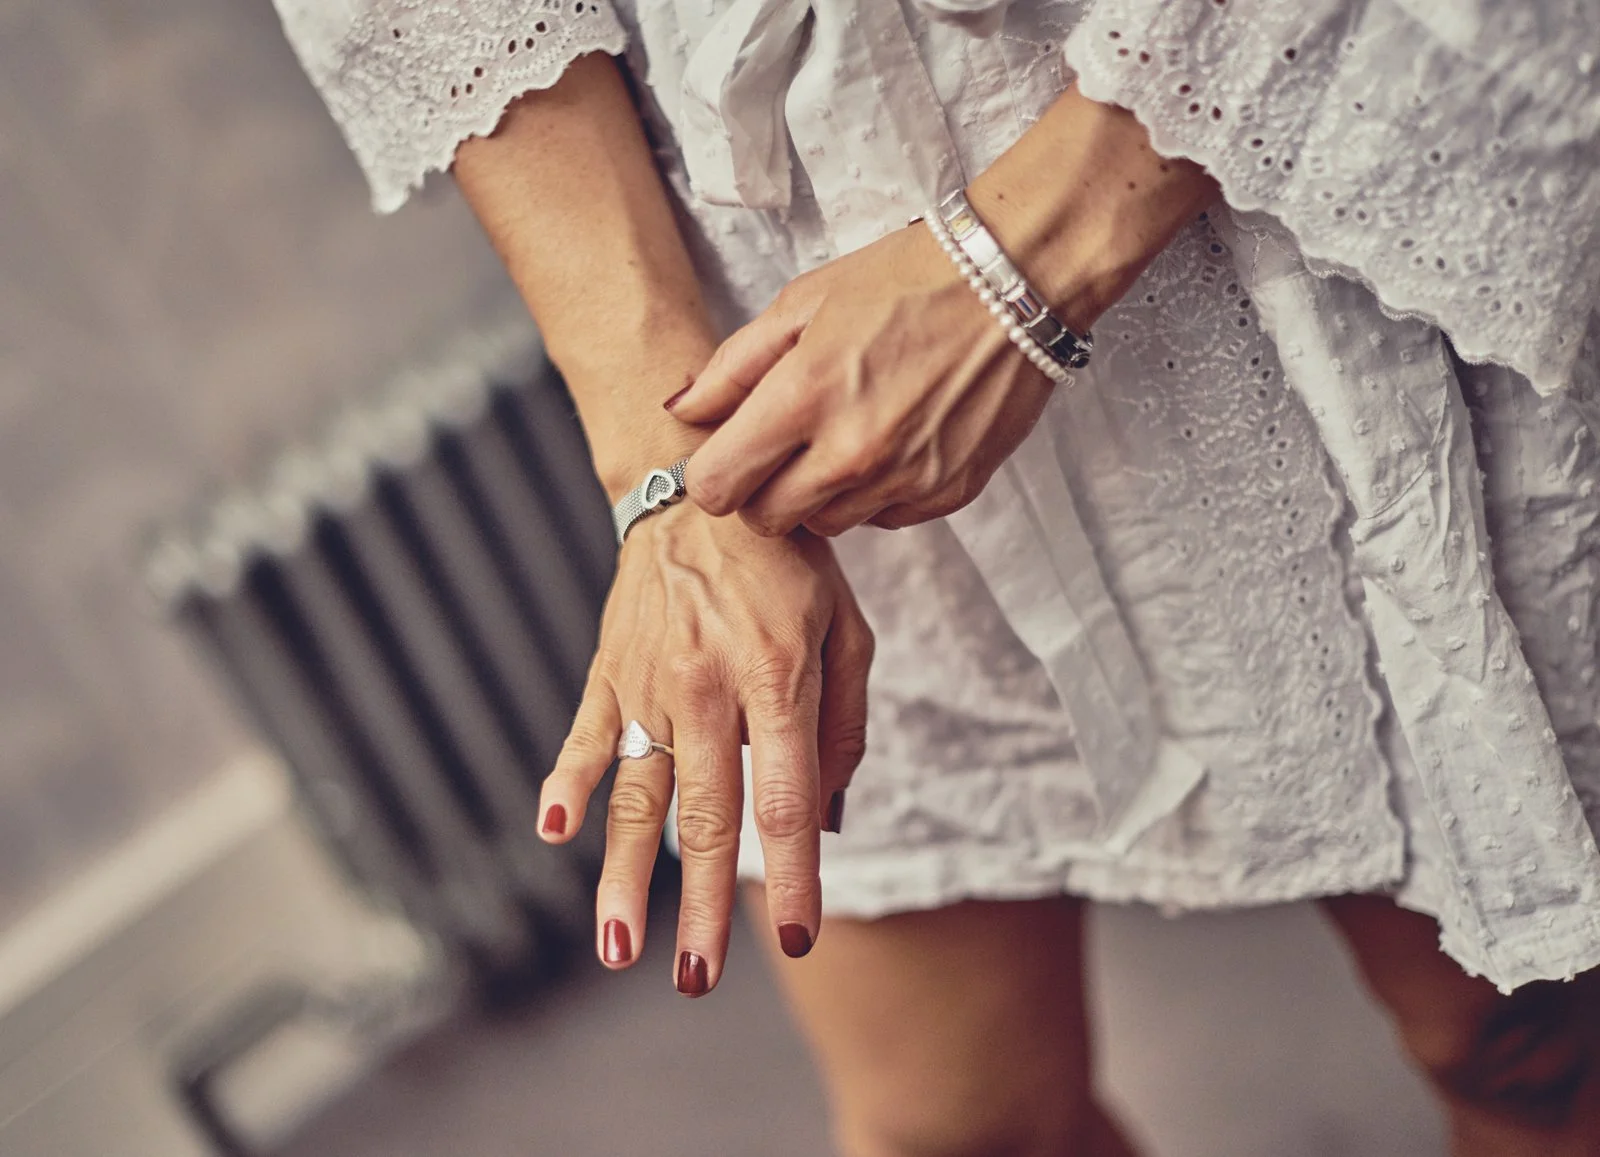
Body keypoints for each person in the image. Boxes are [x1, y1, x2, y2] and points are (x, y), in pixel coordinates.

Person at [273, 1, 1600, 1152]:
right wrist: (668, 479)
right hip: (788, 321)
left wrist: (1024, 262)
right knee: (950, 1130)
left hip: (1285, 169)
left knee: (1529, 1041)